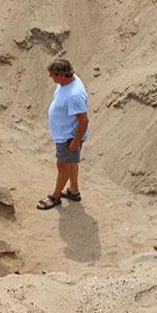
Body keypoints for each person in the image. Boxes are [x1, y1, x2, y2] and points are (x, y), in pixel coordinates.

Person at [38, 58, 91, 210]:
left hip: (68, 138)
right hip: (66, 135)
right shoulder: (68, 82)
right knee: (72, 163)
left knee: (63, 168)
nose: (50, 77)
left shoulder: (75, 95)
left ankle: (55, 197)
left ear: (62, 75)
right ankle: (74, 191)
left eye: (53, 74)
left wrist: (75, 142)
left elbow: (84, 121)